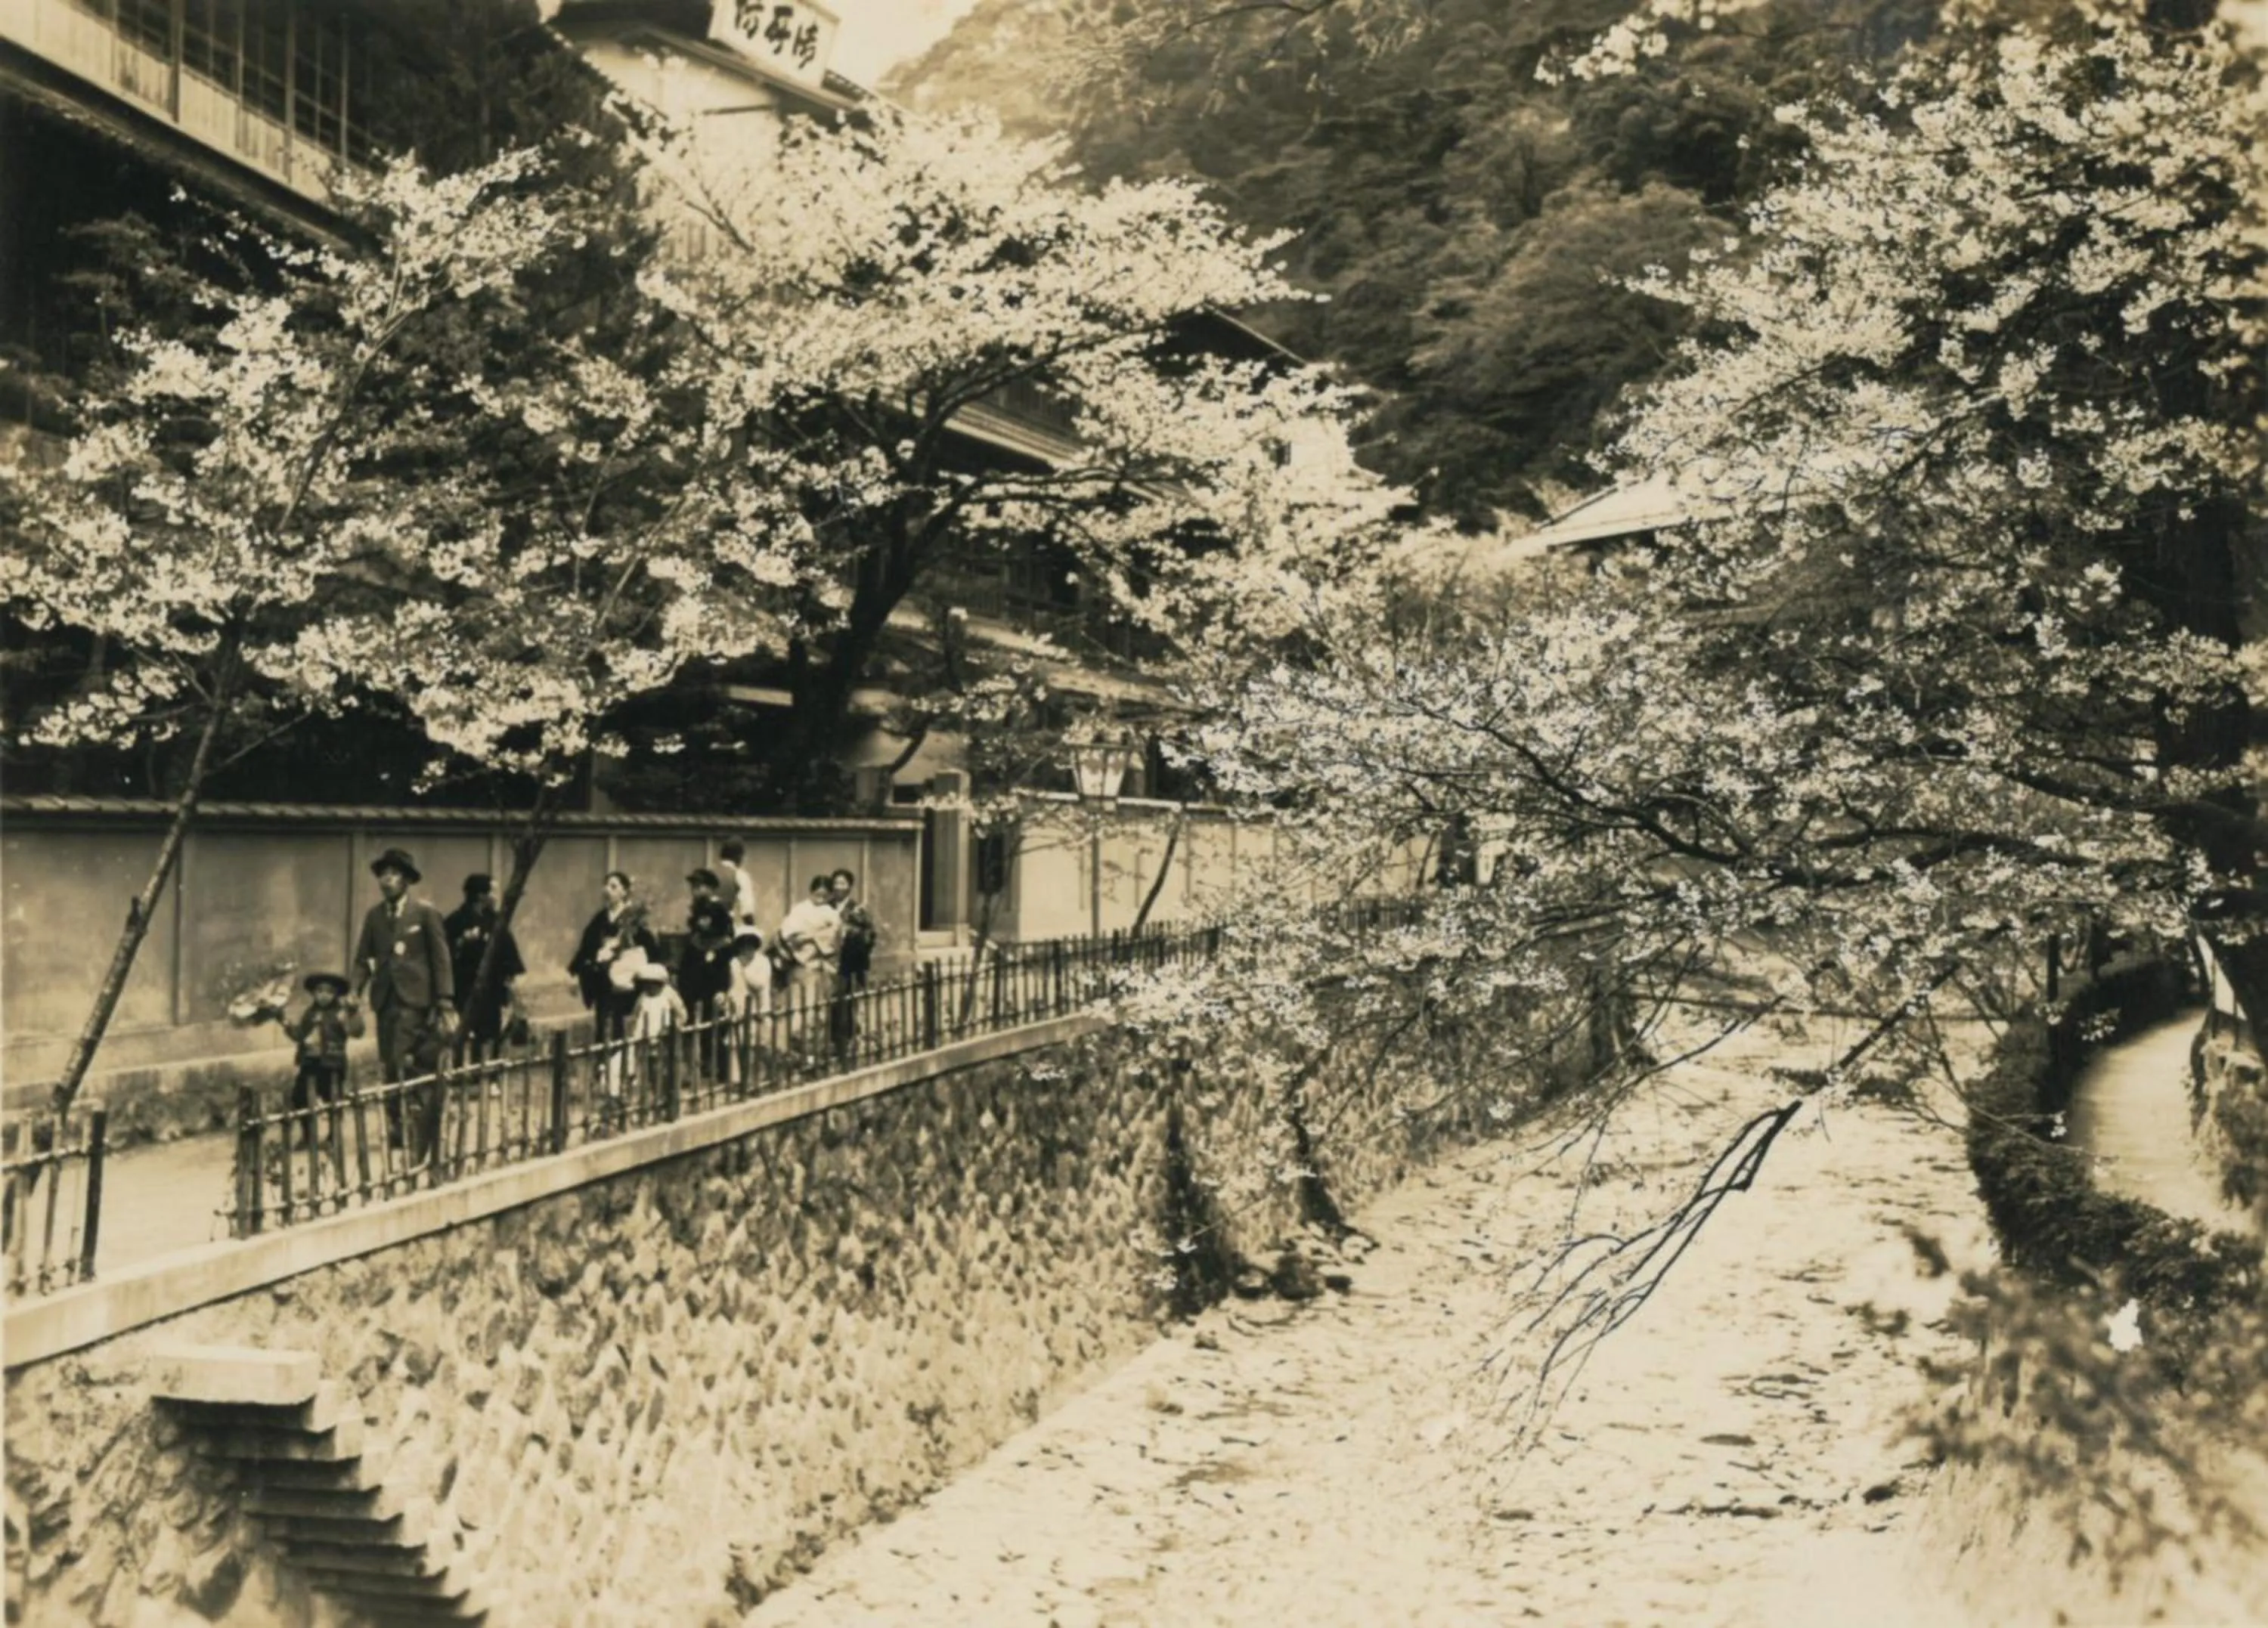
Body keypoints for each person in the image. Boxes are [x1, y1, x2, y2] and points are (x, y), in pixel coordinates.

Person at [351, 848, 456, 1159]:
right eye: (383, 874)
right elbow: (362, 959)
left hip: (416, 1002)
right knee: (389, 1063)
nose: (387, 880)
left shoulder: (424, 914)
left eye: (394, 874)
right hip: (385, 1002)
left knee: (405, 1061)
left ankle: (415, 1121)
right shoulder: (374, 917)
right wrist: (355, 990)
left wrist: (445, 1000)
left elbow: (441, 959)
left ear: (407, 880)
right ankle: (398, 1123)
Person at [568, 871, 658, 1049]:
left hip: (626, 979)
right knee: (603, 1019)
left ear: (624, 892)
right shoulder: (601, 918)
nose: (607, 890)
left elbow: (648, 946)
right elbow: (588, 944)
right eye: (606, 886)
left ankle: (618, 1061)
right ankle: (604, 1063)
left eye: (614, 886)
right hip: (603, 978)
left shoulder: (633, 918)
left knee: (620, 1021)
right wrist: (580, 966)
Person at [445, 873, 525, 1061]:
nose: (496, 897)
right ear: (481, 895)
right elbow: (444, 954)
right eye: (493, 892)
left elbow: (509, 954)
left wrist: (510, 982)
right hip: (463, 989)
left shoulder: (497, 922)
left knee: (490, 1033)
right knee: (462, 1033)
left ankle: (490, 1076)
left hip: (492, 990)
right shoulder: (455, 921)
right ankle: (459, 1078)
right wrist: (462, 943)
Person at [283, 973, 363, 1149]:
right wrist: (286, 1023)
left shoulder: (341, 1013)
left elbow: (357, 1031)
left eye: (329, 992)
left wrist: (353, 1012)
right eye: (319, 991)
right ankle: (308, 1135)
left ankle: (333, 1137)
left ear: (336, 994)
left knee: (332, 1100)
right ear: (314, 993)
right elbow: (299, 1035)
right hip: (310, 1062)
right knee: (300, 1097)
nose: (324, 996)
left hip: (332, 1063)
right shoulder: (309, 1014)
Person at [680, 868, 737, 1079]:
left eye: (700, 886)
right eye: (694, 887)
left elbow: (724, 938)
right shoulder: (698, 908)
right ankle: (704, 1063)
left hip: (715, 967)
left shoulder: (717, 909)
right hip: (697, 968)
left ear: (711, 888)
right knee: (698, 1016)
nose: (696, 890)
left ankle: (719, 1066)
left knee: (714, 1017)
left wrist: (711, 948)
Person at [776, 874, 841, 1050]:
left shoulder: (832, 913)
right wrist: (812, 936)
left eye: (824, 895)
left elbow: (833, 937)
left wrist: (810, 937)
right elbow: (788, 933)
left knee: (819, 1010)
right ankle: (795, 1047)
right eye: (817, 894)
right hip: (801, 965)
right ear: (811, 892)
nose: (820, 898)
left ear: (830, 896)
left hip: (822, 966)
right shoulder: (799, 910)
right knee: (798, 1007)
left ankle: (816, 1050)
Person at [829, 868, 877, 1058]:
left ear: (849, 887)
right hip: (830, 960)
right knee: (832, 1002)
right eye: (836, 883)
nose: (839, 887)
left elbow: (870, 936)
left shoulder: (857, 909)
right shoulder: (827, 907)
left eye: (843, 883)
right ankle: (833, 1041)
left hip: (850, 963)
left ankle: (847, 1041)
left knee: (847, 1001)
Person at [723, 927, 774, 1085]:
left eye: (750, 946)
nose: (747, 950)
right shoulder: (734, 962)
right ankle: (737, 1079)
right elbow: (733, 984)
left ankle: (765, 1074)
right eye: (744, 946)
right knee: (736, 1043)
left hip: (758, 1007)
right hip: (739, 1005)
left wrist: (745, 970)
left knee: (759, 1044)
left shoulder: (763, 962)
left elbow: (759, 984)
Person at [717, 839, 760, 930]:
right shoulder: (740, 875)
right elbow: (747, 912)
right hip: (723, 928)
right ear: (739, 857)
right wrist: (753, 930)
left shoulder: (709, 872)